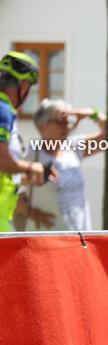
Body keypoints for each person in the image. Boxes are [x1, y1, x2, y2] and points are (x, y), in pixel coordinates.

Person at [28, 99, 107, 231]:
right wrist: (31, 213)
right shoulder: (31, 154)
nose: (66, 127)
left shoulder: (72, 147)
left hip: (79, 235)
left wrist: (93, 113)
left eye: (68, 122)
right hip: (46, 236)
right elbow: (10, 188)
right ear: (41, 126)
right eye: (60, 122)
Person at [0, 51, 57, 232]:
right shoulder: (3, 109)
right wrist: (32, 167)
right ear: (24, 86)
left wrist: (27, 178)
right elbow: (1, 160)